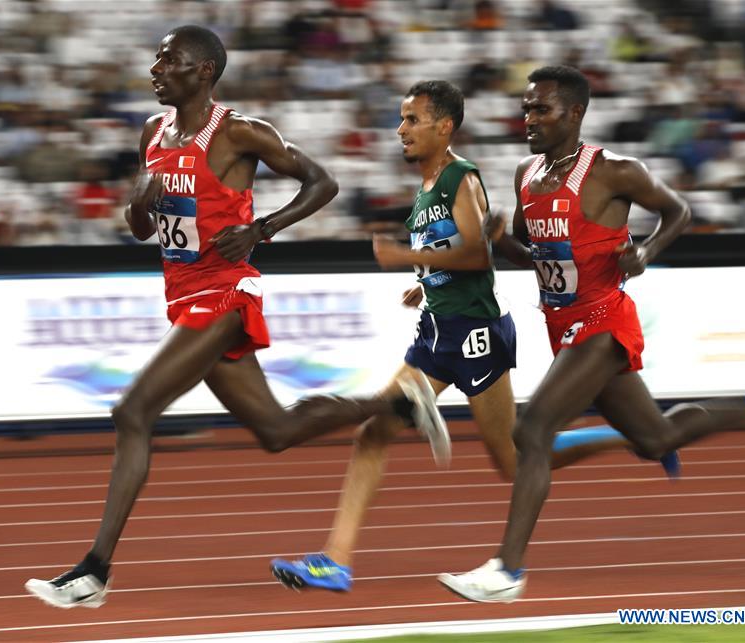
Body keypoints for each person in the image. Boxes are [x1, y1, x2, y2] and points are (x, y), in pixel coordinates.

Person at [24, 25, 450, 609]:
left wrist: (261, 228)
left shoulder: (240, 132)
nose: (154, 69)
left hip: (224, 293)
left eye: (166, 60)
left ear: (202, 71)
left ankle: (93, 572)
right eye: (155, 59)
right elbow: (142, 227)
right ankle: (399, 403)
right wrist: (138, 204)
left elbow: (322, 181)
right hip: (182, 293)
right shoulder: (152, 133)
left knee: (132, 411)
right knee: (275, 431)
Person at [268, 80, 677, 593]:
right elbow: (453, 257)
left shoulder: (460, 178)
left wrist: (407, 257)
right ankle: (335, 561)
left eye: (412, 120)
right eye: (401, 119)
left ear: (444, 127)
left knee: (513, 458)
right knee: (374, 432)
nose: (400, 129)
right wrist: (426, 281)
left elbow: (477, 256)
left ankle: (625, 438)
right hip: (438, 331)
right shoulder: (425, 186)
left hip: (474, 335)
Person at [436, 65, 745, 603]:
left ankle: (507, 571)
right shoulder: (525, 173)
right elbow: (535, 257)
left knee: (533, 431)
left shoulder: (615, 170)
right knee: (654, 439)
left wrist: (645, 252)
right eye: (526, 108)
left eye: (541, 109)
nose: (529, 118)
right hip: (561, 324)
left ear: (575, 113)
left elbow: (679, 211)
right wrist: (500, 242)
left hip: (603, 321)